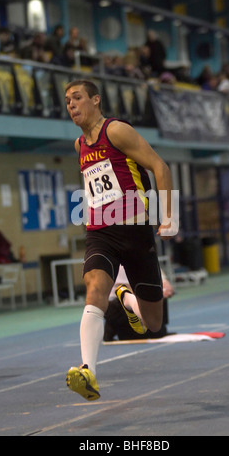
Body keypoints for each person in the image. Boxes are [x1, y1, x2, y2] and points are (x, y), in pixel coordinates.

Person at [65, 79, 176, 401]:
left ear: (95, 100)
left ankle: (126, 297)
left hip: (136, 231)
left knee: (153, 324)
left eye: (77, 98)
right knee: (95, 288)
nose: (71, 105)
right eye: (67, 101)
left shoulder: (116, 131)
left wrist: (168, 217)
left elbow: (159, 166)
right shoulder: (79, 145)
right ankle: (88, 371)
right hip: (101, 232)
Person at [104, 265, 175, 342]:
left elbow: (162, 281)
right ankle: (112, 329)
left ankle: (158, 328)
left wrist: (165, 285)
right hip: (117, 304)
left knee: (158, 292)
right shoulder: (119, 265)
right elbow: (125, 288)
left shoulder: (145, 259)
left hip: (133, 298)